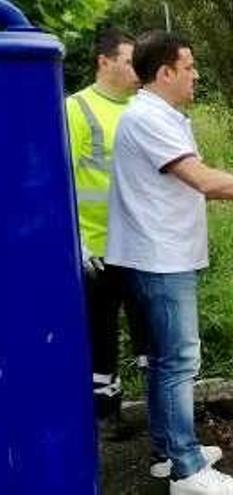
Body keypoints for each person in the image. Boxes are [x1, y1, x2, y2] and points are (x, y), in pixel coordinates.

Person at [105, 30, 233, 494]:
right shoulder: (149, 118)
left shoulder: (162, 115)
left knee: (160, 361)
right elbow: (203, 180)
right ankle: (187, 471)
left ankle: (165, 451)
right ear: (165, 72)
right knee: (177, 362)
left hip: (157, 254)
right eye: (189, 67)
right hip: (160, 258)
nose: (196, 75)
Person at [65, 27, 146, 438]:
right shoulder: (76, 109)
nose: (137, 71)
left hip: (140, 246)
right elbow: (59, 182)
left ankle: (160, 412)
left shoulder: (142, 108)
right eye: (131, 61)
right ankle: (106, 414)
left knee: (148, 331)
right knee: (101, 335)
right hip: (96, 250)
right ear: (105, 61)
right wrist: (76, 243)